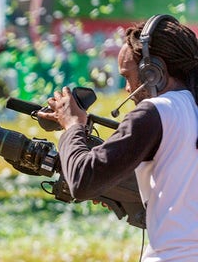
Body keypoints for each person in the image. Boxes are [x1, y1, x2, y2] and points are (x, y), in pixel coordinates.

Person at [38, 14, 198, 261]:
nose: (126, 89)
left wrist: (72, 125)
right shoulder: (187, 109)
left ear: (153, 72)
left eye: (127, 76)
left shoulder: (155, 113)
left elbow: (82, 180)